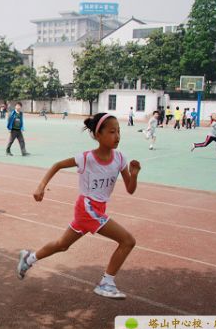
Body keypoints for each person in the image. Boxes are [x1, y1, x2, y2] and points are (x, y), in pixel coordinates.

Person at [17, 112, 140, 299]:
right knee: (127, 241)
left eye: (119, 131)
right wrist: (41, 186)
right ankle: (106, 283)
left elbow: (130, 190)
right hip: (87, 209)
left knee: (62, 244)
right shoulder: (86, 158)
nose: (117, 136)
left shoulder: (120, 159)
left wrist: (134, 174)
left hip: (97, 209)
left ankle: (29, 258)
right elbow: (57, 165)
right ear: (98, 135)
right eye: (112, 132)